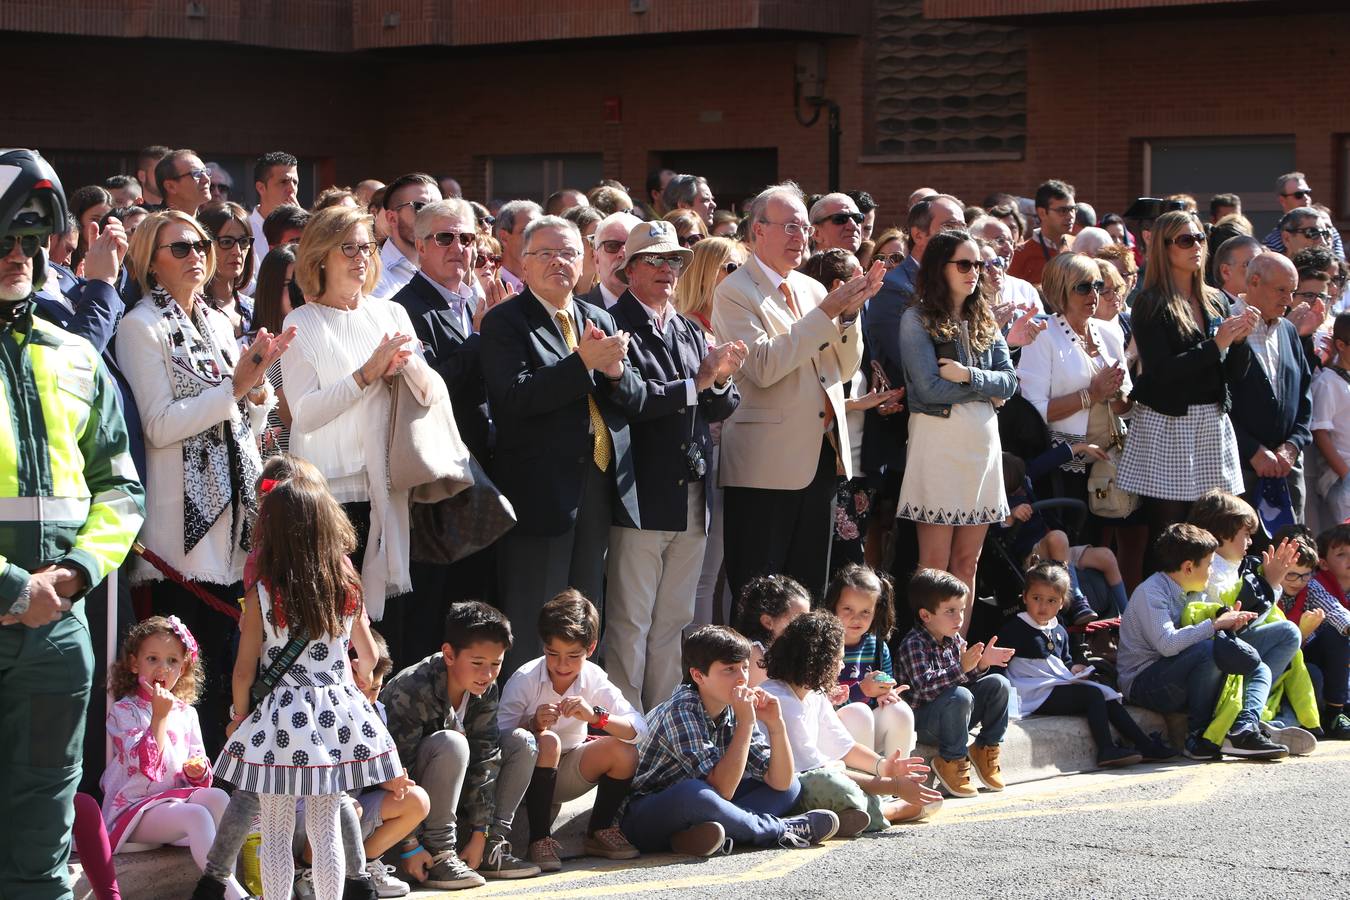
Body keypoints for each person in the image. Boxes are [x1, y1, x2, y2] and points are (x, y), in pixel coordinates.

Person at [0, 154, 146, 900]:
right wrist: (10, 585)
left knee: (44, 823)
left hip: (58, 622)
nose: (15, 260)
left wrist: (74, 573)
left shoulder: (76, 354)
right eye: (1, 243)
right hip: (20, 601)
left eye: (26, 244)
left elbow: (119, 486)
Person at [117, 210, 292, 749]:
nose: (196, 254)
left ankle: (223, 791)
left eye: (200, 244)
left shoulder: (219, 321)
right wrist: (235, 389)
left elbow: (237, 422)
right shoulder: (140, 325)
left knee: (225, 672)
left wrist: (256, 395)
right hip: (178, 534)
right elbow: (159, 425)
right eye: (180, 248)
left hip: (234, 523)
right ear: (150, 260)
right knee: (182, 681)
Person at [214, 474, 400, 900]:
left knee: (277, 831)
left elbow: (244, 669)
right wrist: (357, 687)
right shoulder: (346, 588)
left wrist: (239, 718)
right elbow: (368, 657)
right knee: (326, 823)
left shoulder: (262, 593)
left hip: (280, 716)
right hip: (334, 711)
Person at [479, 215, 645, 673]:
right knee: (538, 611)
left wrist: (613, 373)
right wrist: (582, 364)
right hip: (540, 490)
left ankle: (577, 718)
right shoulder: (506, 323)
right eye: (546, 253)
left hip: (597, 481)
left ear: (587, 262)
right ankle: (526, 723)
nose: (559, 262)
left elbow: (631, 397)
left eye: (569, 253)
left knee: (584, 613)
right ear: (524, 264)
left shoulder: (598, 316)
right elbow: (514, 398)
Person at [281, 205, 447, 645]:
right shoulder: (300, 322)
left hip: (387, 487)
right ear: (320, 258)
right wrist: (366, 374)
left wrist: (405, 366)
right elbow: (306, 414)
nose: (361, 257)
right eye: (348, 248)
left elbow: (431, 394)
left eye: (367, 246)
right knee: (333, 626)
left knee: (388, 629)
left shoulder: (391, 314)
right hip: (328, 498)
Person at [712, 182, 879, 600]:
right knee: (761, 596)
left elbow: (843, 368)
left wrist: (848, 317)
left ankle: (802, 669)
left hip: (820, 455)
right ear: (757, 232)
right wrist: (828, 313)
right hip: (764, 464)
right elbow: (764, 366)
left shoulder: (811, 288)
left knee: (810, 590)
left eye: (804, 228)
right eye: (789, 227)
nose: (799, 237)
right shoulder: (735, 291)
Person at [607, 220, 744, 709]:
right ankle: (627, 726)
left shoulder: (686, 326)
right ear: (629, 270)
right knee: (631, 620)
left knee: (676, 618)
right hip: (642, 492)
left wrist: (722, 380)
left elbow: (715, 406)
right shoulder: (612, 324)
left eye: (676, 261)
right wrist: (700, 381)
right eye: (656, 259)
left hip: (694, 490)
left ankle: (662, 717)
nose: (669, 269)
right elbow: (632, 398)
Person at [618, 625, 840, 855]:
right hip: (644, 815)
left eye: (744, 667)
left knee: (791, 787)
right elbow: (720, 790)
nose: (742, 678)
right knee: (695, 793)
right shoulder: (681, 710)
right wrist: (746, 724)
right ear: (698, 675)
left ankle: (695, 837)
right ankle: (780, 829)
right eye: (729, 670)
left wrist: (776, 725)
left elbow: (781, 782)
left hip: (703, 808)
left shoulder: (733, 708)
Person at [1115, 210, 1257, 558]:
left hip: (1212, 422)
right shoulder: (1150, 304)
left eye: (1199, 238)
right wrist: (1217, 345)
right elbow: (1162, 372)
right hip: (1169, 424)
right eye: (1184, 240)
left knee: (1216, 530)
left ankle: (1210, 609)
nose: (1195, 246)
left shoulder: (1216, 299)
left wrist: (1239, 342)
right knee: (1170, 536)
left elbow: (1235, 375)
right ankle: (1161, 610)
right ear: (1164, 249)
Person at [897, 229, 1017, 628]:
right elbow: (928, 389)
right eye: (964, 264)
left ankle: (957, 653)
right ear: (939, 267)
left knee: (968, 563)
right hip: (938, 444)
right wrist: (986, 391)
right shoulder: (915, 318)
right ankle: (927, 655)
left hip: (981, 449)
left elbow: (1010, 382)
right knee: (934, 565)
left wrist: (969, 376)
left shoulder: (983, 317)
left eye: (979, 265)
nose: (974, 273)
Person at [380, 602, 540, 886]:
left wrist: (480, 833)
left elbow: (486, 757)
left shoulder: (485, 687)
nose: (488, 674)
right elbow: (394, 771)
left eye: (496, 664)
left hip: (454, 788)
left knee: (521, 742)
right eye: (477, 663)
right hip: (407, 797)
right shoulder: (413, 688)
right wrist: (409, 844)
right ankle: (441, 852)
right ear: (449, 654)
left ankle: (493, 846)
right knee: (452, 742)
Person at [497, 591, 645, 870]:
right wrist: (532, 725)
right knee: (548, 741)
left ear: (591, 649)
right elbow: (496, 737)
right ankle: (539, 839)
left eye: (573, 656)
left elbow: (638, 728)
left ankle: (599, 831)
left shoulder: (594, 676)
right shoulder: (525, 679)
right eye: (553, 654)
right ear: (543, 647)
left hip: (567, 775)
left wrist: (597, 717)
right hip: (522, 780)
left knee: (623, 750)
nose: (562, 665)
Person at [1116, 524, 1289, 760]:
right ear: (1188, 567)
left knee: (1260, 662)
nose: (1211, 570)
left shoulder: (1187, 587)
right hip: (1143, 683)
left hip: (1178, 672)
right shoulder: (1152, 592)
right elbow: (1167, 645)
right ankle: (1197, 736)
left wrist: (1229, 623)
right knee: (1210, 650)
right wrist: (1215, 625)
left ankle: (1243, 727)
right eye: (1208, 564)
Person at [760, 611, 944, 833]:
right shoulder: (781, 700)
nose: (840, 666)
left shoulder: (812, 694)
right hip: (781, 790)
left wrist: (884, 766)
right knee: (831, 781)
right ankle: (891, 812)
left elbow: (844, 747)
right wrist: (892, 785)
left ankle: (856, 813)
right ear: (819, 662)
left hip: (814, 776)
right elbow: (814, 772)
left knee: (840, 778)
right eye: (838, 659)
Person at [101, 617, 244, 897]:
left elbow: (202, 774)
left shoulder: (186, 712)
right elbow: (146, 766)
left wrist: (196, 770)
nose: (162, 668)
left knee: (219, 798)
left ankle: (232, 885)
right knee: (196, 816)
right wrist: (159, 716)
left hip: (172, 803)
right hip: (133, 811)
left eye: (172, 661)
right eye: (152, 658)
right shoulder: (124, 711)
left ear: (184, 667)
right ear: (134, 664)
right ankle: (235, 896)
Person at [995, 563, 1177, 767]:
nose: (1043, 607)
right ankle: (1106, 749)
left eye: (1051, 601)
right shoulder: (1015, 629)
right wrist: (1004, 704)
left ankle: (1144, 744)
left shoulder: (1058, 629)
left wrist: (1075, 669)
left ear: (1061, 603)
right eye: (1036, 598)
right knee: (1093, 696)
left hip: (1053, 684)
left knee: (1105, 693)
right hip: (1032, 692)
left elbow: (1064, 660)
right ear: (1025, 596)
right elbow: (999, 666)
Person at [1015, 252, 1132, 533]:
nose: (1093, 294)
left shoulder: (1109, 332)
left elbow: (1126, 404)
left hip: (1111, 459)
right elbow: (1034, 412)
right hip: (1065, 466)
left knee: (1112, 540)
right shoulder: (1042, 335)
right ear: (1060, 291)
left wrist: (1116, 395)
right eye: (1082, 287)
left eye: (1097, 285)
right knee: (1075, 542)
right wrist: (1090, 395)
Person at [675, 236, 750, 625]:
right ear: (705, 274)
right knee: (702, 575)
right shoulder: (687, 327)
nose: (741, 277)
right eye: (731, 268)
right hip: (703, 457)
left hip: (737, 456)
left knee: (722, 570)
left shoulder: (731, 322)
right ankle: (698, 669)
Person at [893, 569, 1014, 798]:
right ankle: (951, 759)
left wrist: (980, 665)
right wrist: (962, 668)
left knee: (999, 683)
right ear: (926, 615)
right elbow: (924, 690)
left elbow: (964, 679)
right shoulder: (914, 644)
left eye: (961, 610)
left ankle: (984, 748)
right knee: (960, 696)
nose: (959, 618)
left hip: (954, 715)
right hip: (925, 721)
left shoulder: (953, 639)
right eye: (950, 611)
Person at [1227, 253, 1312, 526]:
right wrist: (1251, 449)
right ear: (1254, 281)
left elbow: (1304, 398)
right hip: (1240, 471)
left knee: (1293, 557)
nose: (1289, 300)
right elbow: (1214, 400)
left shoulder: (1287, 330)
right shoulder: (1225, 325)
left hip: (1287, 471)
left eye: (1293, 291)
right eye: (1281, 290)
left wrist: (1292, 446)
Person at [821, 565, 915, 760]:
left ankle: (896, 782)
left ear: (876, 611)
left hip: (867, 734)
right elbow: (815, 707)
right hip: (830, 736)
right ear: (833, 605)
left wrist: (886, 694)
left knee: (900, 711)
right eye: (847, 609)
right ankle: (867, 785)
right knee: (859, 713)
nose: (856, 618)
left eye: (865, 612)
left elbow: (880, 691)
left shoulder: (878, 647)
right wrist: (860, 691)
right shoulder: (819, 646)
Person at [1290, 524, 1350, 737]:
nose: (1349, 559)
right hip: (1308, 656)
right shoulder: (1316, 583)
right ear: (1323, 563)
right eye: (1342, 554)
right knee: (1337, 637)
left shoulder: (1316, 586)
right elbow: (1336, 614)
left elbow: (1340, 614)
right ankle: (1334, 712)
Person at [250, 244, 301, 457]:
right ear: (270, 290)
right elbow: (298, 423)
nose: (302, 292)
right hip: (290, 473)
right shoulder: (269, 351)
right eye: (291, 284)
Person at [733, 574, 812, 688]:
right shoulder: (756, 653)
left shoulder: (791, 646)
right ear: (768, 622)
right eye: (797, 620)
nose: (806, 625)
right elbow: (761, 699)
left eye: (807, 619)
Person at [373, 173, 441, 299]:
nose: (432, 217)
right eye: (420, 207)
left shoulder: (453, 266)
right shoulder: (373, 277)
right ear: (392, 218)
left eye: (439, 208)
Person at [196, 201, 256, 341]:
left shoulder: (255, 309)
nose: (237, 251)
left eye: (244, 242)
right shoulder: (192, 311)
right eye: (226, 242)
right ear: (204, 246)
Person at [1311, 313, 1350, 523]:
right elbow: (1320, 434)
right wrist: (1345, 474)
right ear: (1341, 345)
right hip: (1341, 481)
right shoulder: (1328, 382)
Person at [1008, 179, 1076, 287]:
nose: (1070, 216)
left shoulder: (1078, 245)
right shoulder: (1018, 255)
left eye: (1073, 209)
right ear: (1042, 213)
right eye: (1063, 210)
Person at [1262, 172, 1345, 259]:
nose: (1306, 198)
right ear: (1282, 200)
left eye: (1307, 193)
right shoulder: (1272, 241)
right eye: (1299, 195)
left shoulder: (1328, 228)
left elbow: (1340, 262)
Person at [247, 151, 299, 277]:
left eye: (295, 182)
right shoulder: (245, 230)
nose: (291, 189)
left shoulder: (304, 230)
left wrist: (302, 224)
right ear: (261, 188)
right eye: (283, 182)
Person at [579, 210, 641, 310]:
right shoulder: (576, 314)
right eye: (612, 246)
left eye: (632, 246)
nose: (623, 254)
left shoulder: (664, 313)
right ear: (596, 259)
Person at [492, 200, 542, 292]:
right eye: (528, 231)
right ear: (504, 237)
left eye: (541, 232)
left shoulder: (544, 287)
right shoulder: (488, 285)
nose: (537, 239)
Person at [156, 150, 212, 217]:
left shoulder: (211, 224)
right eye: (196, 174)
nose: (206, 179)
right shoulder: (151, 225)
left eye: (206, 172)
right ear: (170, 186)